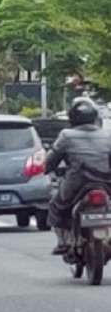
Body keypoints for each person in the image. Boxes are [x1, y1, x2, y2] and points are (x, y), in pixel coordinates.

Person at [45, 97, 111, 255]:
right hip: (106, 181)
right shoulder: (107, 135)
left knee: (55, 205)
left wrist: (47, 168)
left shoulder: (67, 135)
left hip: (76, 183)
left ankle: (62, 242)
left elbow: (51, 159)